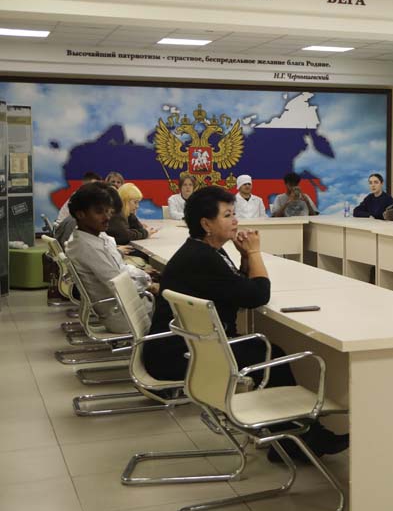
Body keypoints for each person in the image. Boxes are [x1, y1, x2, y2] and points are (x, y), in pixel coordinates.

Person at [141, 185, 348, 461]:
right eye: (227, 215)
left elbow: (234, 288)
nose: (236, 221)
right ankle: (295, 439)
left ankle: (291, 435)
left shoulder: (204, 251)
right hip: (179, 356)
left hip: (181, 347)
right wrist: (254, 253)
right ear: (206, 224)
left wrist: (243, 257)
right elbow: (258, 295)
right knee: (269, 354)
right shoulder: (203, 258)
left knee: (265, 351)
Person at [64, 183, 156, 334]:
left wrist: (145, 276)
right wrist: (149, 284)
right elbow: (119, 284)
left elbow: (119, 268)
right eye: (99, 212)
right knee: (176, 297)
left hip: (121, 306)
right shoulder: (87, 247)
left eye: (108, 211)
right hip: (124, 314)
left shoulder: (93, 237)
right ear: (80, 214)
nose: (107, 217)